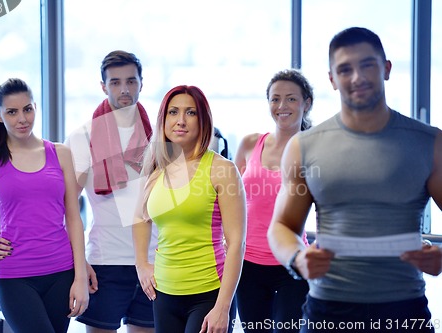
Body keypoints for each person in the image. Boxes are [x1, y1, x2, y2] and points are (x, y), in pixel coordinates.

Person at [267, 26, 442, 333]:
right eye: (345, 69)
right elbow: (282, 226)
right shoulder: (304, 146)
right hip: (328, 308)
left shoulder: (429, 143)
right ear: (332, 80)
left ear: (386, 69)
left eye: (367, 65)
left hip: (404, 309)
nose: (357, 77)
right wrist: (297, 258)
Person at [0, 78, 89, 333]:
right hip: (15, 276)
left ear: (35, 108)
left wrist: (80, 277)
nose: (22, 118)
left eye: (27, 109)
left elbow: (74, 219)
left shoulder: (61, 153)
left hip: (61, 272)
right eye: (12, 112)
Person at [133, 85, 246, 333]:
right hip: (164, 294)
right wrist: (141, 263)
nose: (180, 120)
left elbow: (236, 242)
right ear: (163, 120)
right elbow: (140, 217)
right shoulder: (154, 167)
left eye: (190, 113)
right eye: (173, 112)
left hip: (208, 294)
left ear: (203, 119)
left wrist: (223, 306)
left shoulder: (222, 169)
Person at [65, 50, 156, 333]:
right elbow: (66, 204)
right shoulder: (84, 136)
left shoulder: (160, 136)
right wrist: (79, 265)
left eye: (131, 81)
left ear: (142, 83)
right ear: (103, 86)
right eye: (115, 82)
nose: (124, 89)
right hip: (104, 263)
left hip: (154, 262)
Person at [234, 69, 312, 333]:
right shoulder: (249, 144)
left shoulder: (313, 151)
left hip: (291, 263)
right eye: (275, 99)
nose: (282, 106)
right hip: (247, 265)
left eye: (291, 99)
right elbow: (228, 198)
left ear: (306, 103)